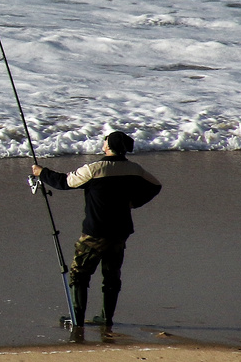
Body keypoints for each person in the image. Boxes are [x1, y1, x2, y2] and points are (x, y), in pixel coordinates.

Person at [30, 131, 161, 335]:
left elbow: (65, 182)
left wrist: (41, 172)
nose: (103, 142)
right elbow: (155, 186)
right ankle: (106, 318)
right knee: (111, 275)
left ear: (108, 146)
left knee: (79, 274)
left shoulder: (95, 169)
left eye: (105, 140)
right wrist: (133, 203)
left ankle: (77, 319)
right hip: (120, 231)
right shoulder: (134, 169)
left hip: (96, 232)